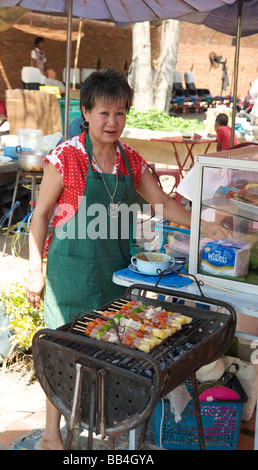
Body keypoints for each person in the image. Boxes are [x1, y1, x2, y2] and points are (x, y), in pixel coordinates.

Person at [25, 69, 226, 450]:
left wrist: (204, 227)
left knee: (110, 353)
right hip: (69, 274)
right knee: (61, 353)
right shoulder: (66, 157)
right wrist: (34, 269)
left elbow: (163, 203)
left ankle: (109, 431)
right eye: (103, 112)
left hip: (115, 276)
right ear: (86, 112)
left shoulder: (131, 161)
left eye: (120, 113)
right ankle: (52, 436)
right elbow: (40, 215)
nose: (112, 122)